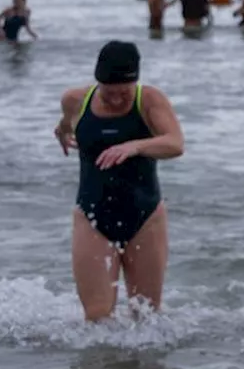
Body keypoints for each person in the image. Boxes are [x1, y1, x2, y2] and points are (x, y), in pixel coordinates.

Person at [52, 41, 184, 321]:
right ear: (97, 82)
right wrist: (62, 132)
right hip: (92, 215)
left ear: (135, 82)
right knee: (97, 318)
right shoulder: (75, 100)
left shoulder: (149, 100)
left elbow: (175, 143)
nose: (115, 99)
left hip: (145, 216)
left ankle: (140, 366)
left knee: (146, 316)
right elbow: (66, 122)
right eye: (108, 92)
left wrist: (134, 146)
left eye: (123, 92)